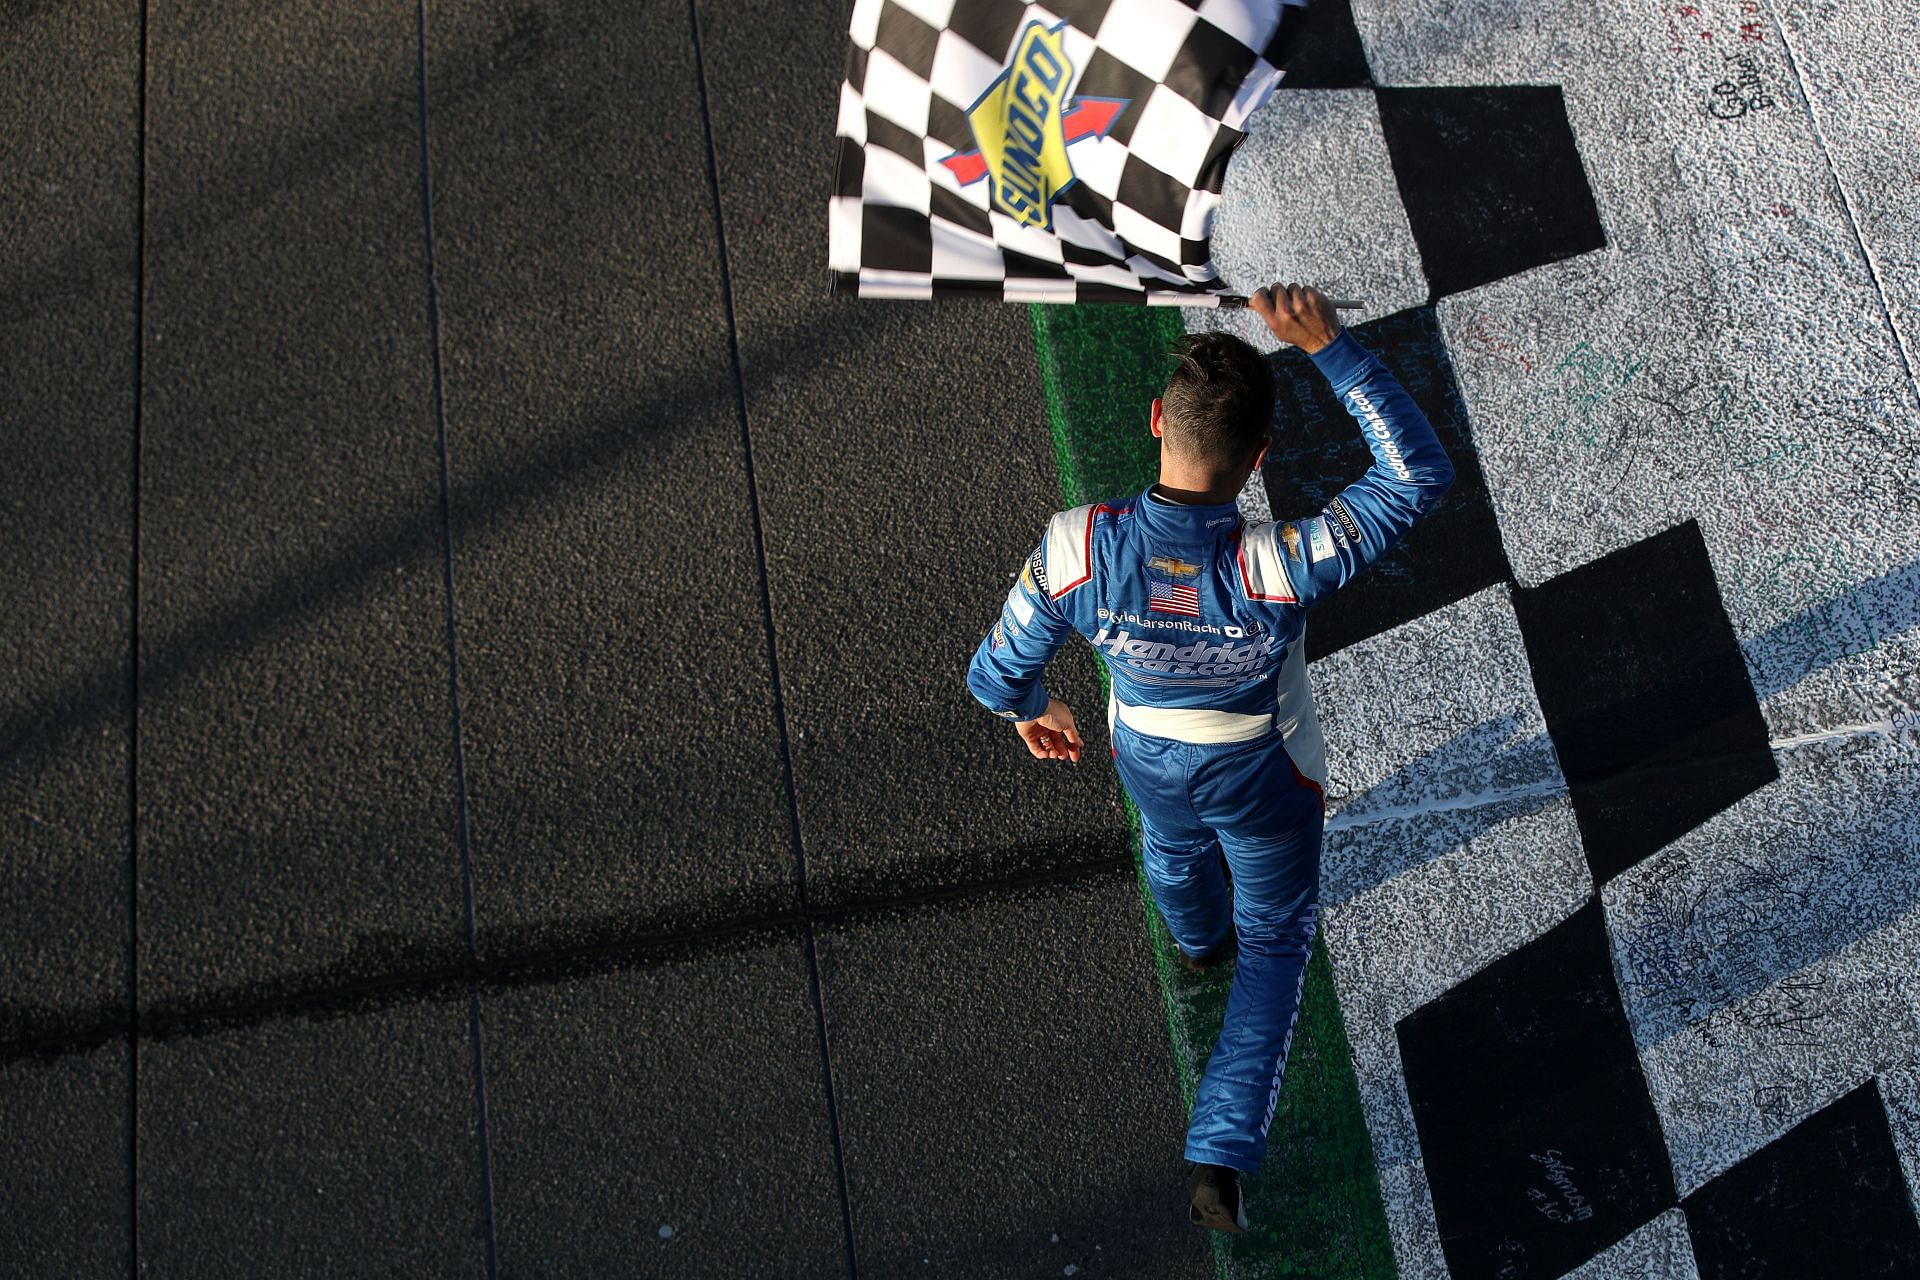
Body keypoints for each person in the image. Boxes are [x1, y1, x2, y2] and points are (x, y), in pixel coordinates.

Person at [965, 283, 1454, 1232]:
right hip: (1264, 774)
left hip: (1144, 750)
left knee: (1173, 847)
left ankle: (1195, 942)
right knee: (1277, 943)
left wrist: (1033, 706)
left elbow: (995, 674)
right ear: (1261, 458)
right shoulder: (1281, 561)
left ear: (1155, 420)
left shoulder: (1076, 544)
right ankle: (1221, 1156)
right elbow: (1415, 477)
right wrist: (1334, 349)